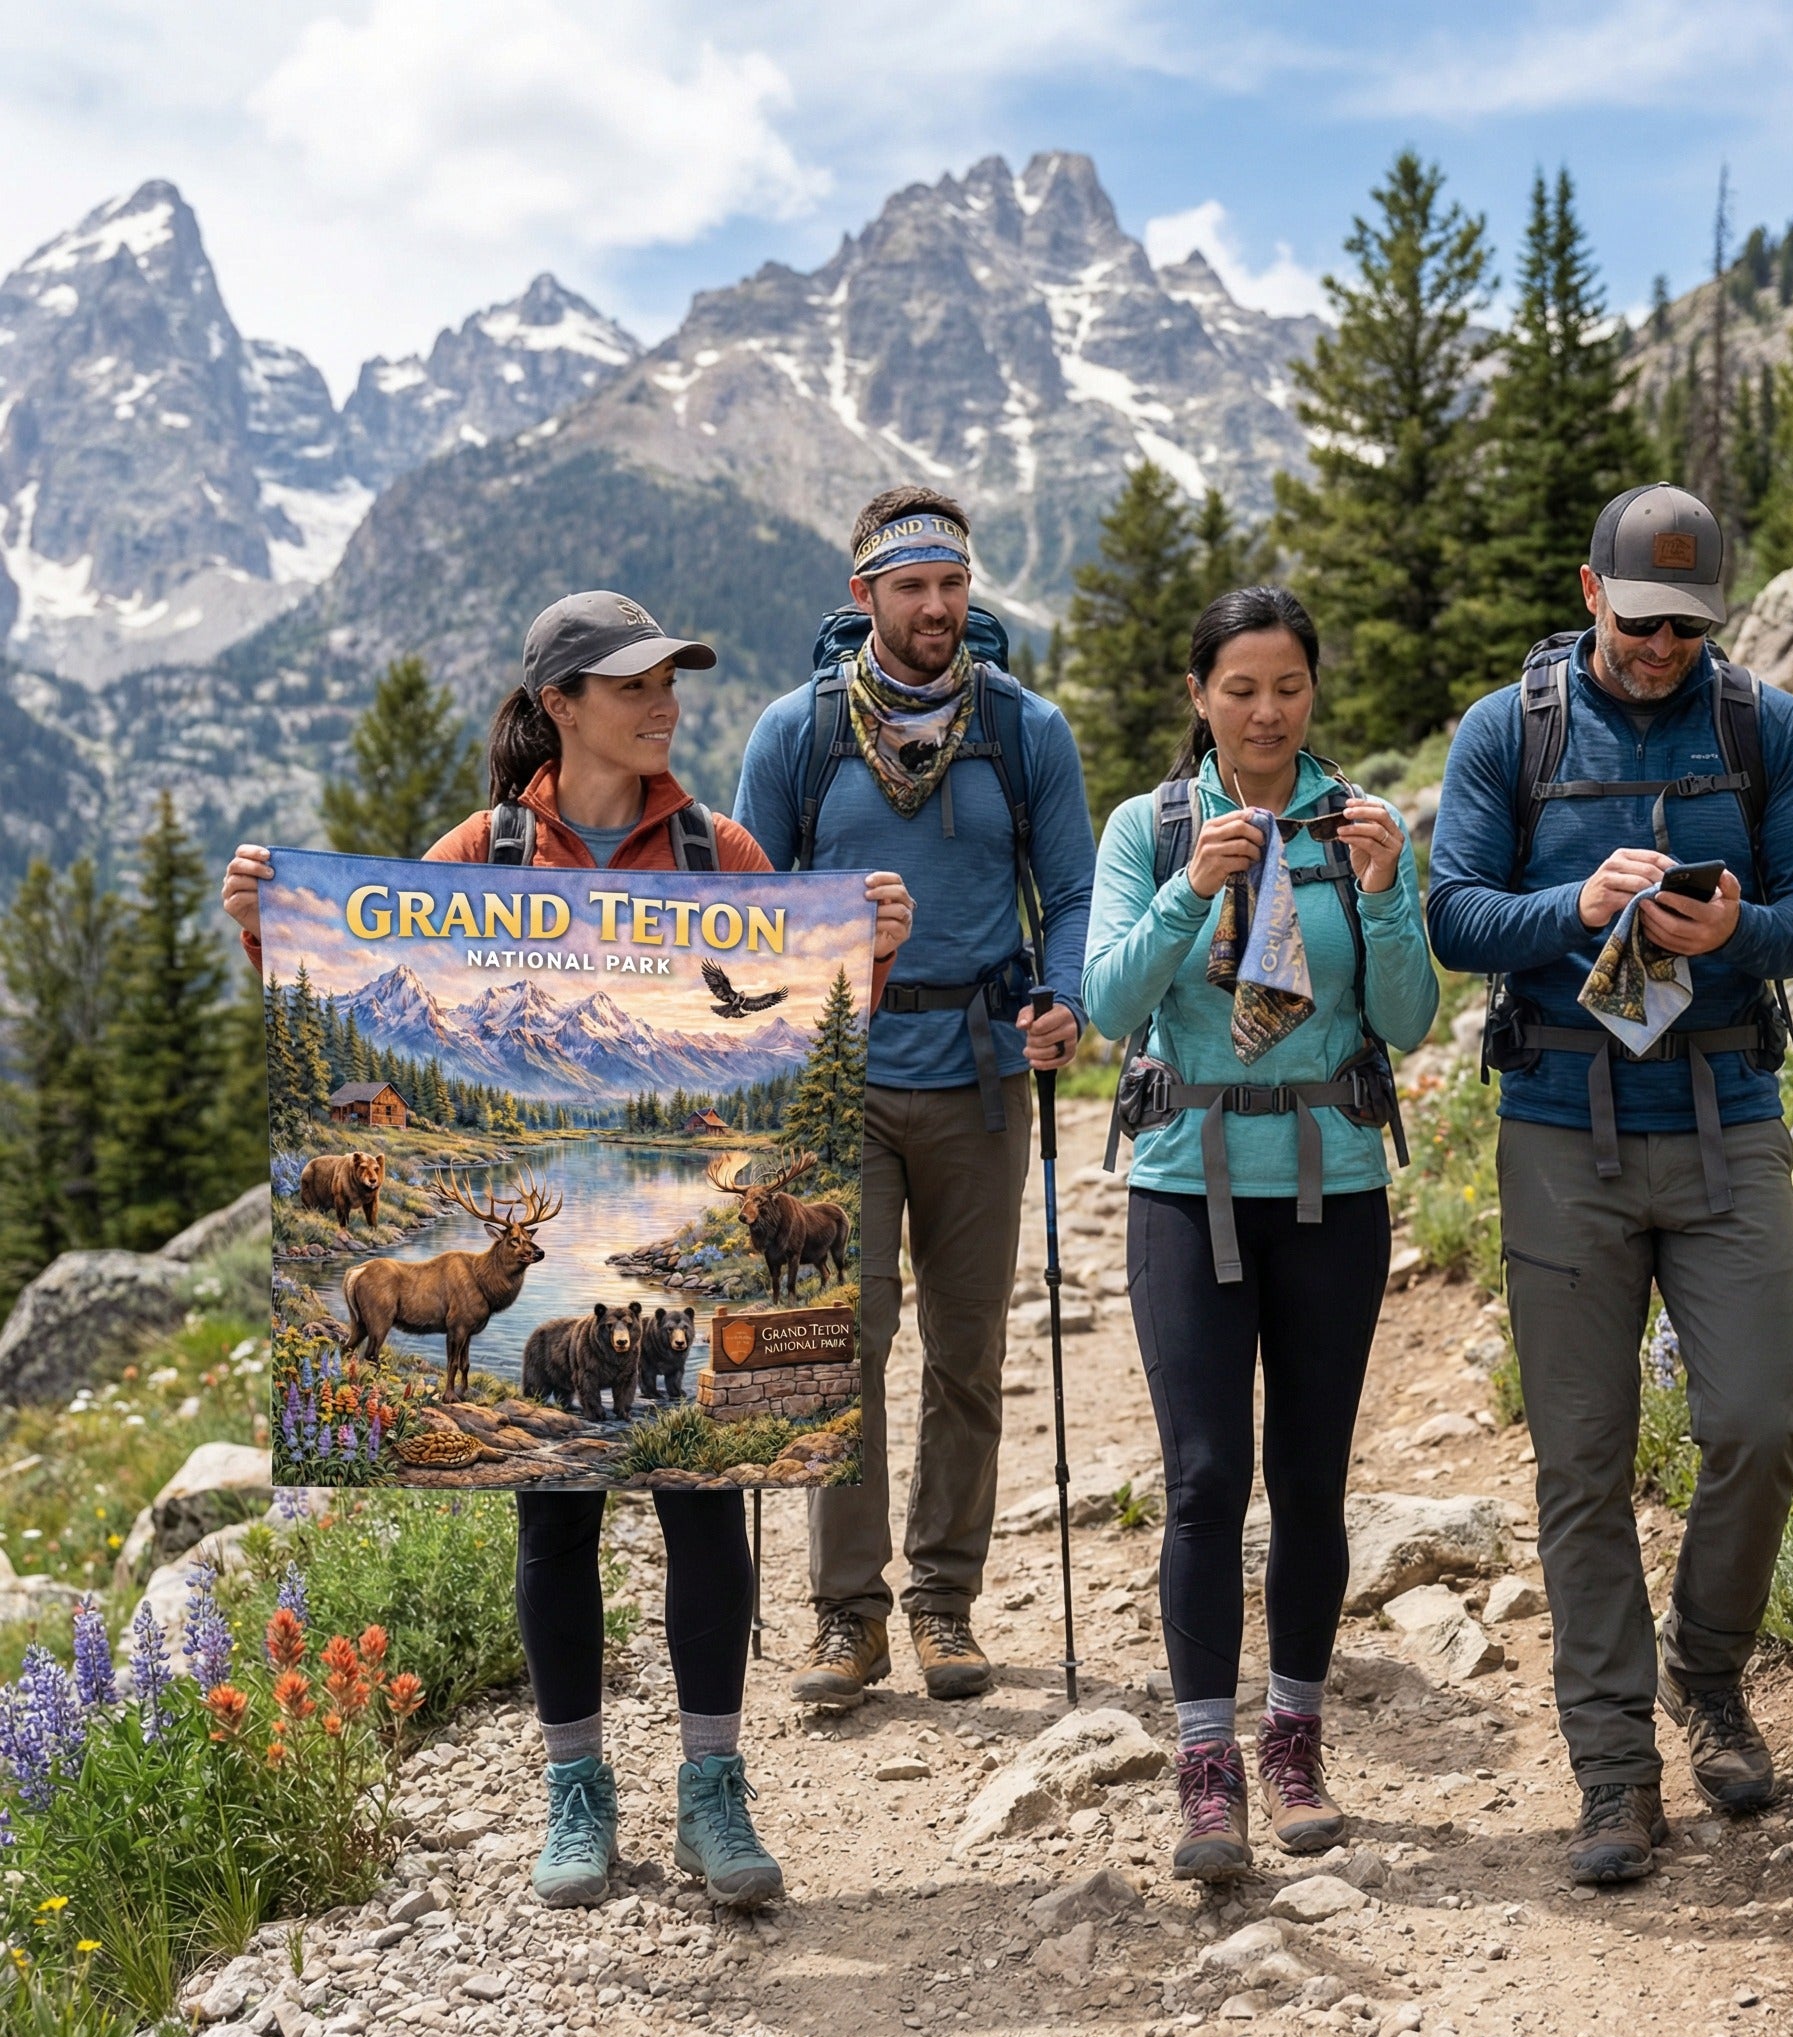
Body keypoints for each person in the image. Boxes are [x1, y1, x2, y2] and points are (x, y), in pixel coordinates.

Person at [222, 589, 913, 1911]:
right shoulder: (477, 853)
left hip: (649, 1250)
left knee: (710, 1515)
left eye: (672, 683)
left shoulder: (724, 856)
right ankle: (575, 1795)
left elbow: (801, 1038)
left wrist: (867, 950)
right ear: (563, 706)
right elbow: (345, 965)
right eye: (637, 686)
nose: (666, 704)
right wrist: (264, 918)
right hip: (536, 1230)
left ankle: (715, 1794)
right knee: (557, 1515)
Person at [1426, 486, 1793, 1885]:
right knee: (1582, 1467)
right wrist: (1578, 911)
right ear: (1591, 591)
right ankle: (1614, 1772)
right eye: (1644, 619)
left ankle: (1707, 1672)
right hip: (1559, 1132)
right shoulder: (1512, 730)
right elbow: (1453, 914)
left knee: (1761, 1420)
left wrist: (1733, 933)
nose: (1666, 647)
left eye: (1691, 625)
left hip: (1731, 1115)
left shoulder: (1763, 727)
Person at [1082, 586, 1438, 1879]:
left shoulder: (1359, 829)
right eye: (1241, 687)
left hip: (1333, 1184)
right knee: (1200, 1479)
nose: (1267, 711)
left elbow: (1406, 1022)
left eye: (1287, 686)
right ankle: (1204, 1764)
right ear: (1200, 697)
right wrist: (1188, 891)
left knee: (1311, 1479)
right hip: (1187, 1180)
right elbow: (1109, 990)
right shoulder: (1149, 827)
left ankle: (1295, 1735)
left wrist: (1392, 894)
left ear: (1312, 694)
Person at [732, 487, 1096, 1709]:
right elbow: (749, 913)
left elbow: (1075, 892)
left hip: (984, 1072)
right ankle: (847, 1617)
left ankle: (943, 1600)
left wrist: (1064, 994)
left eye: (952, 584)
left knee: (968, 1351)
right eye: (910, 587)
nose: (936, 606)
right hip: (841, 1084)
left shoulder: (1024, 729)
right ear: (864, 599)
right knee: (841, 1348)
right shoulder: (794, 734)